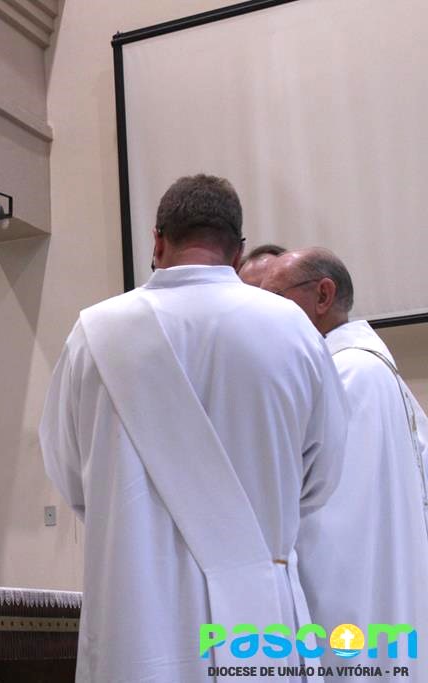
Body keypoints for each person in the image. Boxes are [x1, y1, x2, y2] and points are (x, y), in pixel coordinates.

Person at [39, 174, 349, 682]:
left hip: (137, 614)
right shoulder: (293, 329)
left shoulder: (94, 333)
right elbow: (321, 477)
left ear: (157, 241)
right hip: (256, 617)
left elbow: (70, 474)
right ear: (238, 251)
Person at [262, 248, 428, 674]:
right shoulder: (376, 372)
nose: (262, 314)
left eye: (273, 297)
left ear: (322, 295)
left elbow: (326, 527)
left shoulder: (342, 377)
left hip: (347, 617)